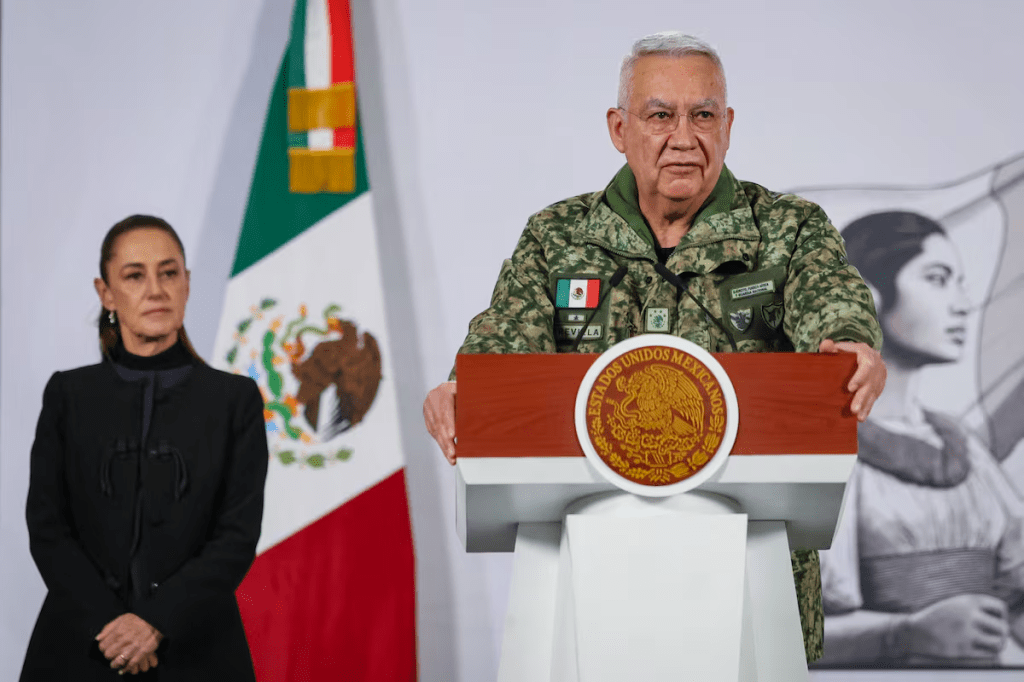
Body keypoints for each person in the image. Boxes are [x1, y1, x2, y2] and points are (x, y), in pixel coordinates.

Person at [422, 32, 886, 663]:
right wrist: (463, 391)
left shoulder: (788, 228)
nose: (684, 136)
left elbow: (830, 304)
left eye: (703, 115)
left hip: (752, 585)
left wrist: (849, 344)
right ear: (619, 128)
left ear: (727, 126)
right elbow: (504, 344)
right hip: (585, 585)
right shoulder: (558, 236)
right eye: (660, 115)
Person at [21, 215, 269, 680]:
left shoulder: (234, 401)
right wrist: (110, 625)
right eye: (135, 275)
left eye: (169, 272)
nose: (156, 289)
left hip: (200, 650)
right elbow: (47, 527)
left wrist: (155, 622)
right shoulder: (68, 396)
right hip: (77, 646)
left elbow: (236, 537)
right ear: (106, 293)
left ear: (188, 284)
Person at [817, 211, 1024, 667]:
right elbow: (790, 628)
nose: (961, 304)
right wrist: (904, 633)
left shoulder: (960, 443)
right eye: (937, 279)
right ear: (866, 297)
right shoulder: (830, 447)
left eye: (959, 282)